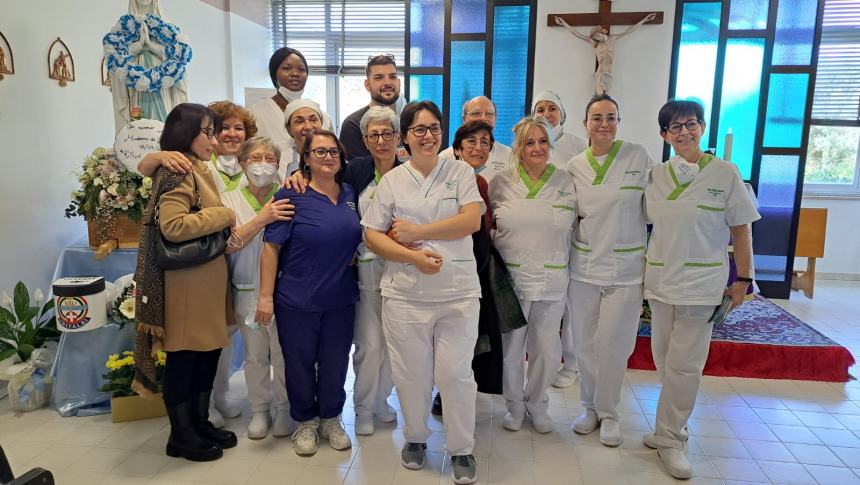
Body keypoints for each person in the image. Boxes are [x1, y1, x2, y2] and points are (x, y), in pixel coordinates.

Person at [362, 101, 482, 484]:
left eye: (434, 128)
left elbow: (471, 220)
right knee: (411, 374)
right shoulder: (394, 181)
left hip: (457, 292)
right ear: (405, 138)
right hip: (405, 294)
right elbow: (372, 234)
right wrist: (411, 258)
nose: (427, 135)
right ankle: (415, 438)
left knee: (454, 375)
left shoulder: (460, 170)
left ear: (442, 132)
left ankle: (462, 448)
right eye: (419, 129)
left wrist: (418, 233)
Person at [642, 100, 759, 479]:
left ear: (702, 127)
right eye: (674, 128)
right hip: (661, 282)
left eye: (690, 124)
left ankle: (671, 438)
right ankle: (669, 424)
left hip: (702, 284)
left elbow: (742, 228)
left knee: (686, 364)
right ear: (664, 135)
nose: (684, 133)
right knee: (663, 359)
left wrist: (743, 279)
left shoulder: (725, 173)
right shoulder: (657, 175)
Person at [137, 101, 260, 427]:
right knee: (185, 360)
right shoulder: (179, 169)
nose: (215, 140)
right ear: (186, 134)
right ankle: (182, 434)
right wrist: (225, 214)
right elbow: (174, 226)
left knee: (205, 356)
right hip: (187, 283)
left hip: (207, 277)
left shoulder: (199, 167)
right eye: (208, 133)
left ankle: (200, 424)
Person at [257, 130, 362, 457]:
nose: (328, 157)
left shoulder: (348, 192)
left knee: (335, 362)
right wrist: (265, 296)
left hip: (340, 298)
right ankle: (304, 422)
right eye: (319, 152)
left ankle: (330, 419)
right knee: (299, 363)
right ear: (305, 159)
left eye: (333, 151)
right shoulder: (291, 194)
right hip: (297, 298)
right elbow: (271, 248)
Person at [567, 94, 656, 447]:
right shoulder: (575, 166)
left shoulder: (638, 156)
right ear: (585, 124)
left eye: (611, 117)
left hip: (626, 268)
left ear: (619, 121)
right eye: (596, 118)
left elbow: (655, 207)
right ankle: (589, 408)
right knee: (584, 342)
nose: (604, 124)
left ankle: (610, 413)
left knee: (615, 344)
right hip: (585, 265)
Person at [488, 116, 576, 434]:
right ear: (519, 148)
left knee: (546, 349)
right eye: (529, 142)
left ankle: (537, 404)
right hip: (512, 282)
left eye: (542, 141)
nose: (537, 148)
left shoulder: (566, 181)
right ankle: (513, 406)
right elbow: (490, 230)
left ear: (550, 145)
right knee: (511, 349)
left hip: (552, 279)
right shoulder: (501, 182)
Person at [219, 137, 295, 440]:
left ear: (278, 165)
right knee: (255, 355)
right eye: (255, 158)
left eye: (269, 158)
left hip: (285, 291)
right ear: (242, 163)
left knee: (283, 354)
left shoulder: (288, 197)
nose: (263, 163)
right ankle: (260, 410)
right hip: (247, 290)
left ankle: (284, 409)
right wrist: (262, 219)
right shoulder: (228, 200)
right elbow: (227, 244)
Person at [530, 90, 587, 390]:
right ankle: (542, 362)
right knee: (544, 304)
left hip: (570, 230)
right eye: (540, 108)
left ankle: (573, 362)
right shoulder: (529, 140)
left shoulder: (577, 145)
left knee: (569, 304)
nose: (546, 113)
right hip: (538, 234)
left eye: (552, 108)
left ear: (562, 115)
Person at [249, 47, 332, 178]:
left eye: (301, 69)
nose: (295, 74)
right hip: (270, 188)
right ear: (274, 74)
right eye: (287, 68)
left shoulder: (322, 116)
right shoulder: (255, 113)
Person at [554, 13, 657, 95]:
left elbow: (629, 31)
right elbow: (577, 34)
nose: (597, 38)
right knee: (598, 98)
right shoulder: (596, 43)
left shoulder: (612, 39)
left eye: (597, 35)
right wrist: (563, 22)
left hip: (609, 74)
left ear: (602, 32)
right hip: (600, 73)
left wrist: (645, 20)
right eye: (595, 37)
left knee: (607, 100)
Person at [339, 54, 402, 160]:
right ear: (367, 85)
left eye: (393, 77)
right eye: (379, 78)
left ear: (399, 82)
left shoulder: (408, 121)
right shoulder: (353, 124)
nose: (388, 82)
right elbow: (361, 172)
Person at [439, 96, 511, 182]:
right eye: (476, 113)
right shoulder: (444, 158)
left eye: (489, 114)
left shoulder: (509, 156)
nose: (483, 118)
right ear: (464, 118)